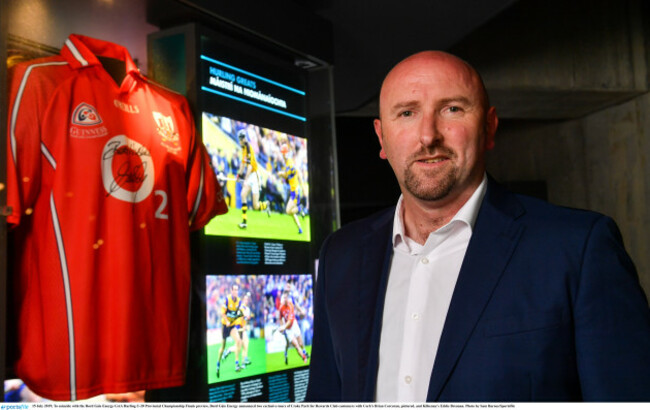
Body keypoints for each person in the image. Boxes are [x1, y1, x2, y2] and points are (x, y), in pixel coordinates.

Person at [305, 51, 650, 402]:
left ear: (489, 128)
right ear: (382, 137)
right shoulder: (341, 254)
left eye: (452, 109)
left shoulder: (578, 249)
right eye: (407, 113)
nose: (428, 136)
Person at [236, 129, 270, 229]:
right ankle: (244, 222)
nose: (240, 140)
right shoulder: (243, 148)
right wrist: (239, 175)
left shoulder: (248, 147)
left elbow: (250, 167)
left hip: (254, 176)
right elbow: (243, 164)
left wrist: (245, 179)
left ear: (242, 139)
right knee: (243, 195)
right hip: (250, 176)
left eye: (240, 139)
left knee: (256, 206)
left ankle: (266, 205)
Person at [216, 284, 244, 377]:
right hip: (225, 325)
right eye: (234, 290)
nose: (236, 291)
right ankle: (218, 364)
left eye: (237, 290)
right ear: (231, 291)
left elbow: (239, 312)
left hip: (232, 326)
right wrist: (227, 321)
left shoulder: (239, 301)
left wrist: (242, 314)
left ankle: (236, 364)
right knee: (223, 347)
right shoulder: (227, 300)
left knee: (239, 341)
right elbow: (222, 313)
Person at [277, 144, 306, 234]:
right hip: (294, 191)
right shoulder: (288, 163)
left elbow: (289, 174)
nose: (282, 155)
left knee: (288, 210)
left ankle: (300, 208)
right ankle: (299, 228)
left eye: (282, 153)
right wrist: (283, 175)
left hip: (295, 192)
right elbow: (288, 175)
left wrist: (281, 174)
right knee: (291, 212)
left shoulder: (289, 164)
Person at [276, 291, 309, 365]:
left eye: (286, 298)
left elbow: (290, 321)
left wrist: (283, 327)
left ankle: (304, 351)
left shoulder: (291, 305)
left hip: (293, 324)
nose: (285, 299)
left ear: (288, 299)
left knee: (300, 343)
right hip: (288, 330)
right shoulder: (281, 308)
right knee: (295, 346)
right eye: (284, 298)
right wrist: (282, 326)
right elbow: (280, 318)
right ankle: (303, 357)